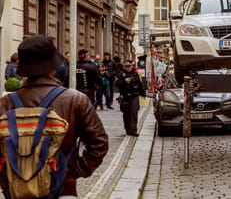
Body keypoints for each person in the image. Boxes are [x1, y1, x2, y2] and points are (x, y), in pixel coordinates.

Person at [0, 35, 108, 197]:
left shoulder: (5, 103)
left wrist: (7, 178)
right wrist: (72, 171)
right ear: (53, 68)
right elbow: (99, 144)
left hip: (17, 190)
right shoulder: (75, 100)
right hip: (63, 187)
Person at [116, 60, 146, 136]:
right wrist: (124, 81)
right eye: (126, 66)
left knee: (133, 113)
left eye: (129, 66)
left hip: (134, 95)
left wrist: (143, 94)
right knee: (126, 114)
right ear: (124, 67)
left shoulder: (136, 74)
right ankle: (128, 129)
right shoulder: (121, 74)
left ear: (132, 66)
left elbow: (140, 84)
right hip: (125, 96)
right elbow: (117, 84)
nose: (128, 68)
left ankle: (133, 130)